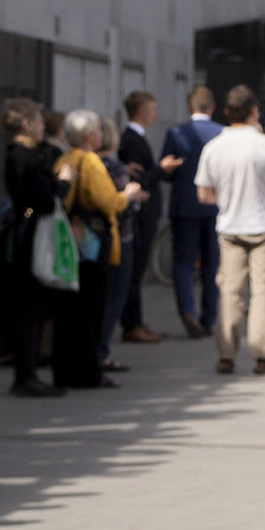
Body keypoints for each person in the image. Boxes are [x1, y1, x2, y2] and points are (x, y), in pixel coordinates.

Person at [195, 85, 265, 376]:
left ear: (226, 112)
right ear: (254, 111)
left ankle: (226, 355)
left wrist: (226, 198)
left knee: (230, 292)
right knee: (264, 292)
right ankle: (263, 357)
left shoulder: (213, 146)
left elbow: (204, 194)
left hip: (230, 226)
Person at [53, 110, 143, 390]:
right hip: (92, 243)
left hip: (71, 240)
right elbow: (107, 201)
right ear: (90, 135)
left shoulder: (64, 158)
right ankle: (88, 372)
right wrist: (126, 196)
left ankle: (65, 371)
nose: (101, 135)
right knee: (91, 310)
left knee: (69, 312)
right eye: (98, 131)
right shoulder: (90, 161)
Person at [0, 98, 70, 398]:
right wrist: (63, 184)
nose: (43, 126)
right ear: (27, 124)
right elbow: (40, 202)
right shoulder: (28, 158)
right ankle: (26, 375)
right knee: (30, 306)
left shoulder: (16, 155)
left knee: (25, 306)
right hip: (30, 234)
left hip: (20, 231)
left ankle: (26, 372)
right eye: (40, 121)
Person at [161, 85, 223, 339]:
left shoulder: (176, 133)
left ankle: (187, 310)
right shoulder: (222, 133)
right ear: (212, 107)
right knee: (211, 264)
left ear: (189, 107)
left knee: (184, 262)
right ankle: (209, 317)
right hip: (215, 205)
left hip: (185, 205)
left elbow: (168, 170)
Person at [116, 90, 167, 345]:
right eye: (152, 109)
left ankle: (135, 321)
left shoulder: (135, 137)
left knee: (137, 269)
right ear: (142, 111)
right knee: (135, 269)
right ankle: (132, 323)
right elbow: (138, 178)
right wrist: (161, 170)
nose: (156, 114)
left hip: (146, 211)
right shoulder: (132, 140)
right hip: (141, 212)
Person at [93, 116, 139, 375]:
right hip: (117, 239)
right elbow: (116, 206)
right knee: (113, 297)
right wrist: (131, 197)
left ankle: (96, 350)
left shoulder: (77, 161)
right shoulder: (109, 166)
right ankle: (100, 351)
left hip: (93, 238)